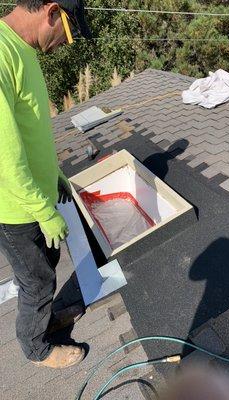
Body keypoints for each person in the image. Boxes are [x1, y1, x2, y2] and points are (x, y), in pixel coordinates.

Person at [0, 0, 91, 369]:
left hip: (36, 197)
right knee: (36, 281)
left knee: (46, 267)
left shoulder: (23, 49)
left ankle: (44, 318)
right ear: (51, 11)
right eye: (67, 33)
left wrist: (52, 174)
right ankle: (36, 347)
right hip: (16, 208)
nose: (65, 44)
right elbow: (3, 154)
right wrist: (41, 209)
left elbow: (28, 129)